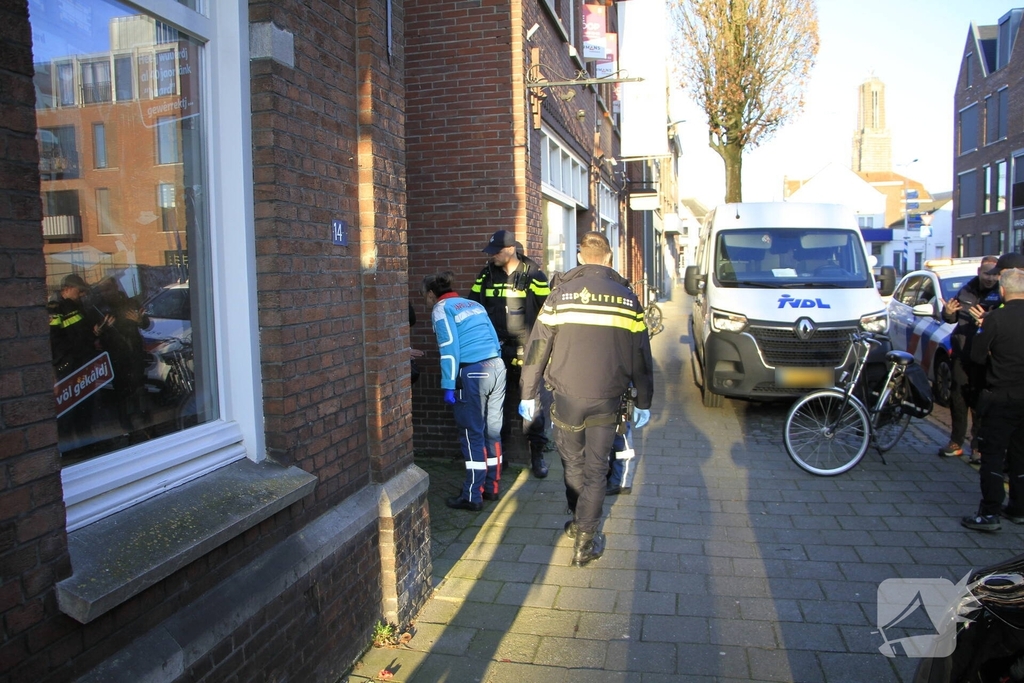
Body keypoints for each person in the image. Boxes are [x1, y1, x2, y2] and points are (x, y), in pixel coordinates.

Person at [519, 232, 654, 567]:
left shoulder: (559, 296)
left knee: (573, 464)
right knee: (597, 470)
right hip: (609, 398)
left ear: (580, 257)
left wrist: (528, 393)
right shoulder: (627, 298)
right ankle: (585, 540)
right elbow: (641, 354)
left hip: (566, 396)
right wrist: (645, 399)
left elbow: (537, 348)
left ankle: (578, 522)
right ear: (608, 258)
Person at [469, 230, 552, 478]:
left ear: (510, 250)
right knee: (497, 408)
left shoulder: (534, 274)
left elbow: (547, 314)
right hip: (496, 351)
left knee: (532, 406)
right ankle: (499, 458)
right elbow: (474, 306)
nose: (491, 255)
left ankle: (537, 457)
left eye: (495, 251)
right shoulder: (486, 275)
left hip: (528, 351)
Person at [424, 272, 506, 511]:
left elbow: (449, 349)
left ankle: (472, 495)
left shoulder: (441, 309)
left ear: (431, 294)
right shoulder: (474, 304)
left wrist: (448, 384)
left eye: (425, 297)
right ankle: (492, 487)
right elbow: (493, 336)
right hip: (496, 367)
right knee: (493, 431)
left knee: (472, 435)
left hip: (472, 372)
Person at [962, 255, 1024, 532]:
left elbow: (976, 356)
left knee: (993, 453)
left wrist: (983, 335)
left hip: (1000, 394)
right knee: (1021, 453)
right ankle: (1019, 508)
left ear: (1002, 290)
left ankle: (989, 513)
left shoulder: (996, 318)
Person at [939, 255, 1001, 461]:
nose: (990, 278)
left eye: (994, 274)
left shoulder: (1001, 294)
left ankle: (977, 446)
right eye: (987, 273)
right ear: (979, 272)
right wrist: (947, 313)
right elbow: (951, 316)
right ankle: (956, 441)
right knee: (958, 398)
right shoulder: (966, 290)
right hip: (962, 353)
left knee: (980, 401)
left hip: (985, 356)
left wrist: (987, 320)